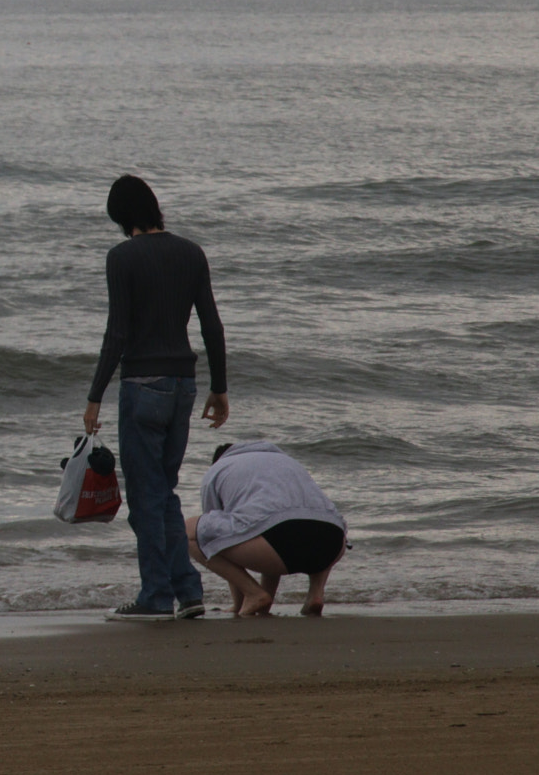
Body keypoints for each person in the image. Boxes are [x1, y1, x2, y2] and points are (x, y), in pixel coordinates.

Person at [84, 174, 228, 622]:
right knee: (162, 492)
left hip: (142, 387)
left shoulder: (122, 258)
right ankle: (188, 592)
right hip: (183, 387)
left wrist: (94, 396)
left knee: (147, 498)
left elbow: (118, 333)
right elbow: (211, 325)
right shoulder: (191, 253)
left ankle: (154, 597)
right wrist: (219, 387)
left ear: (125, 219)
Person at [186, 441, 348, 617]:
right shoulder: (287, 461)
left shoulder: (218, 469)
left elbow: (217, 539)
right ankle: (315, 595)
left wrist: (240, 600)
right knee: (277, 522)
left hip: (278, 542)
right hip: (333, 542)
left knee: (189, 534)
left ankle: (253, 594)